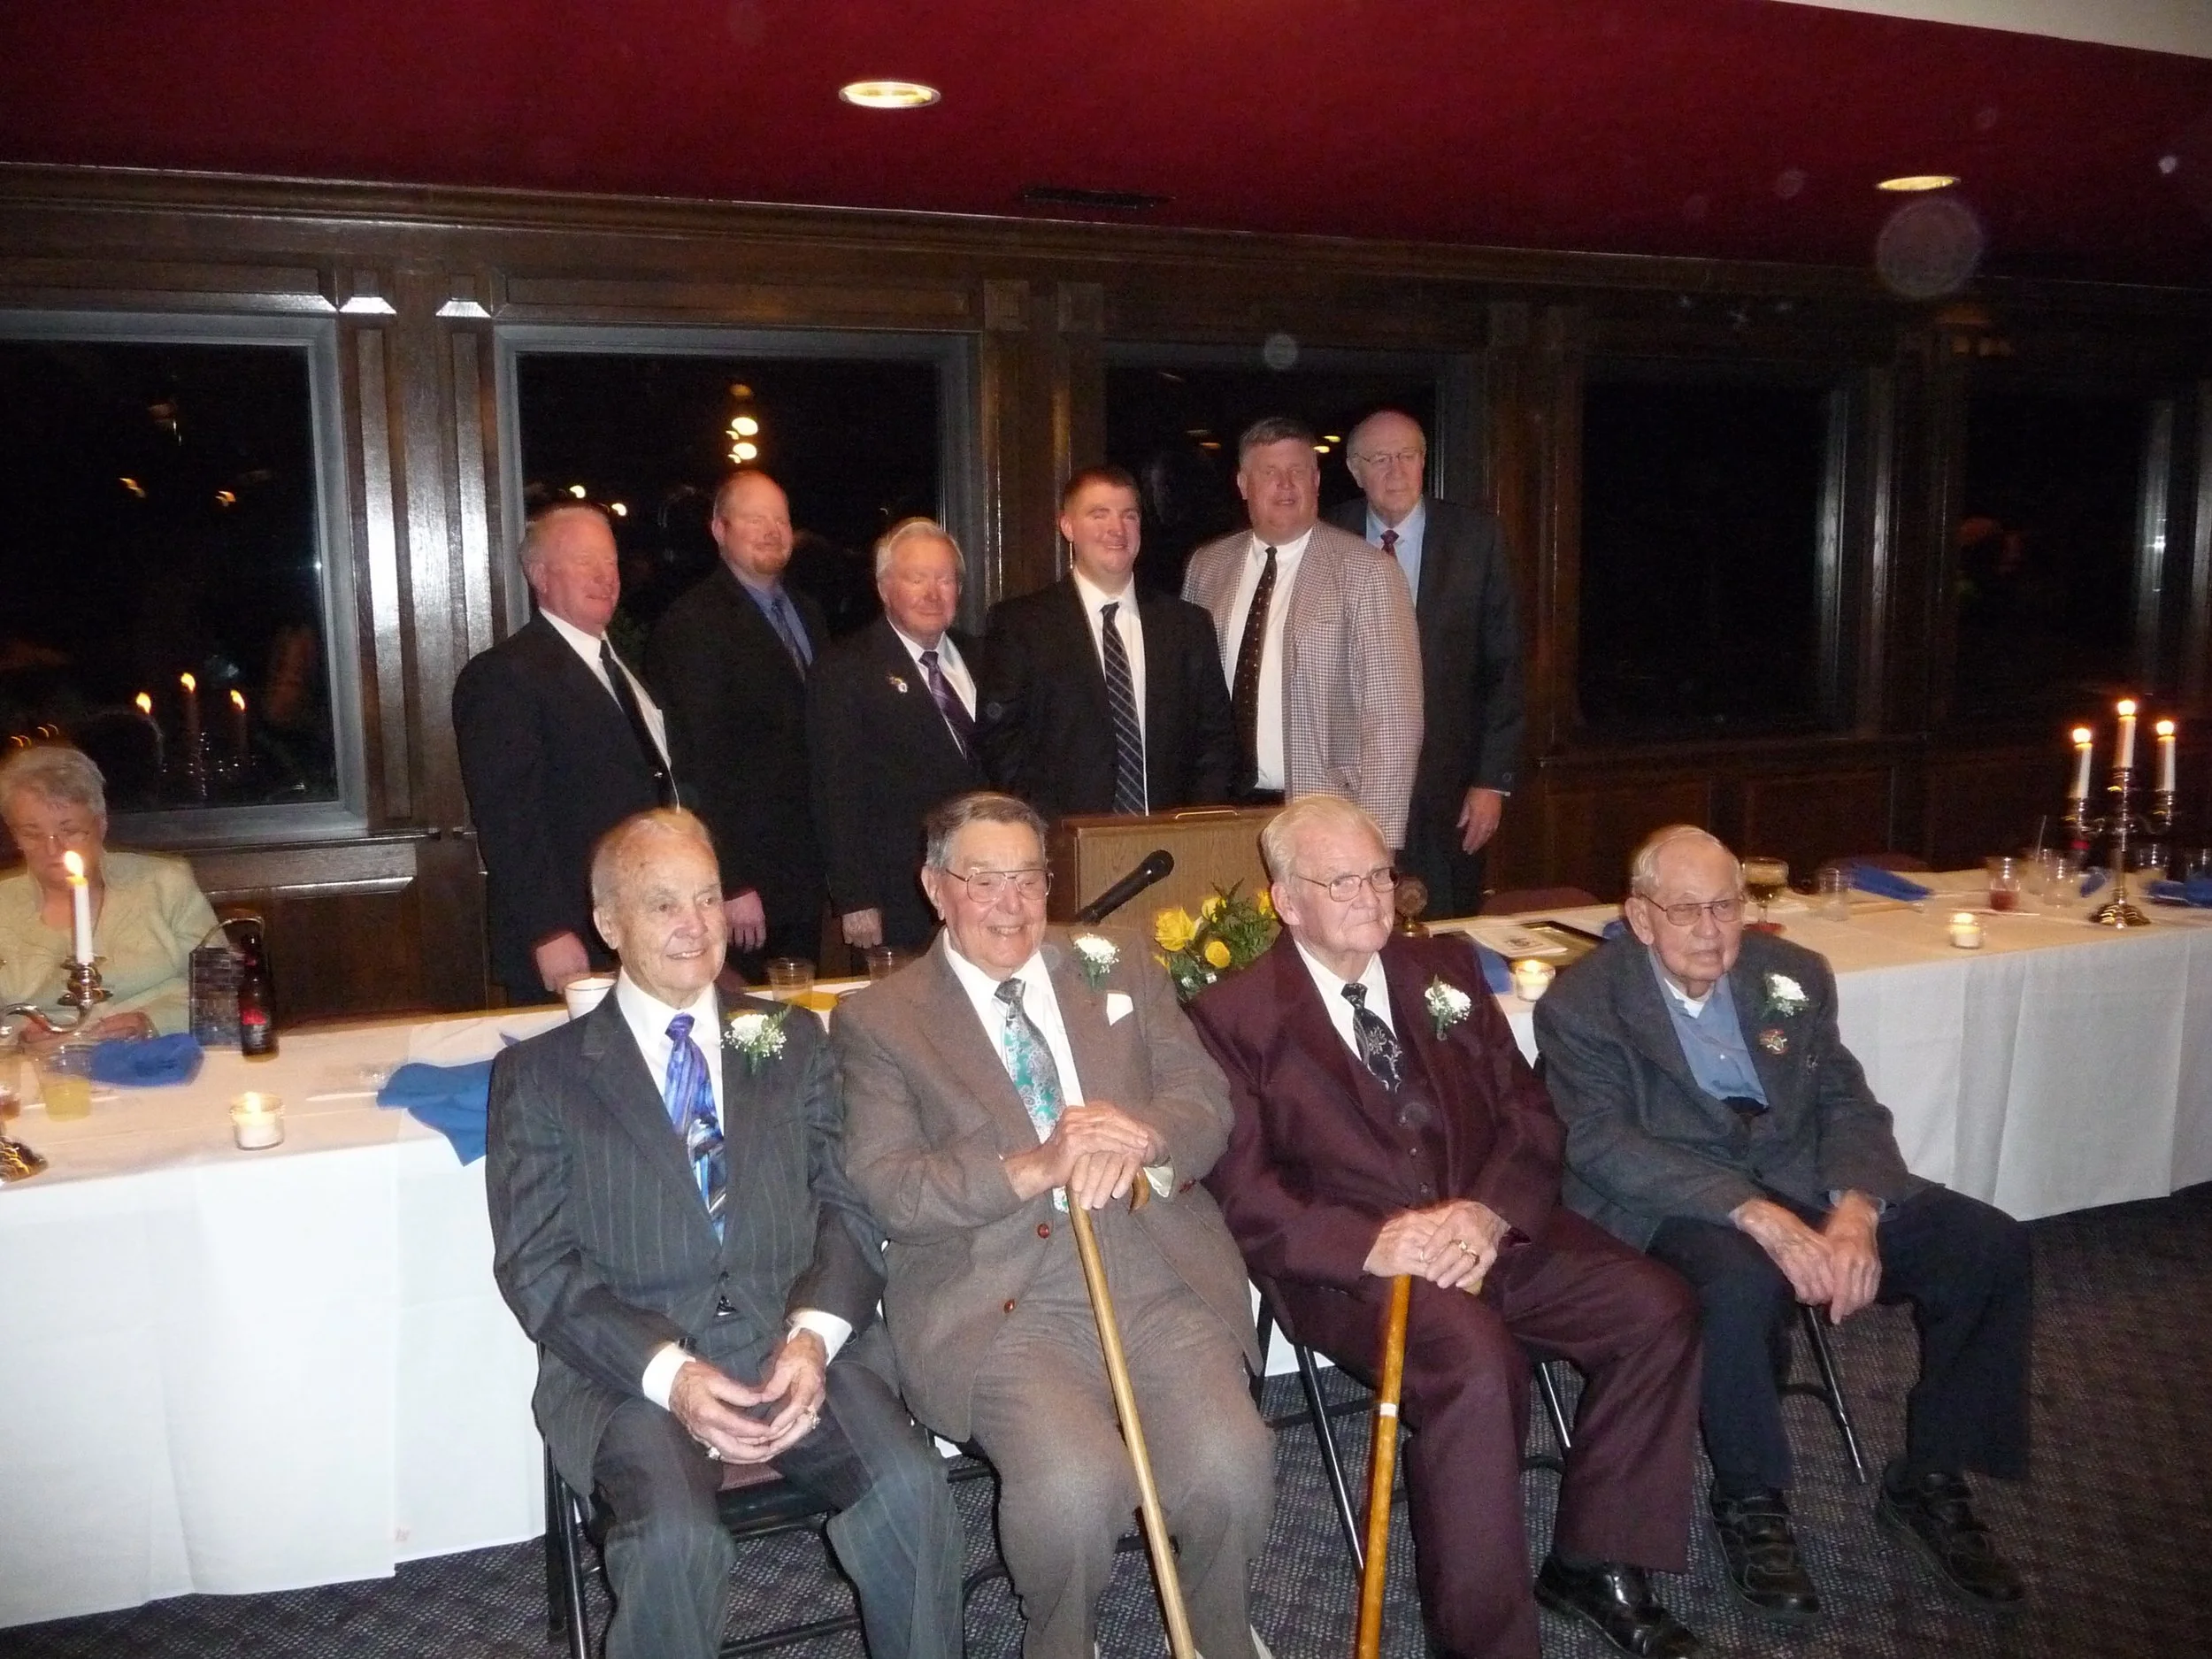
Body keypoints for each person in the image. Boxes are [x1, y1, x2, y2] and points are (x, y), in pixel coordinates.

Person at [1187, 794, 1702, 1659]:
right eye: (1340, 881)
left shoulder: (1449, 970)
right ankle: (1485, 1644)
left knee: (1656, 1306)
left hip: (1484, 1227)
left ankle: (1594, 1562)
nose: (1370, 897)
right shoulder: (1232, 1019)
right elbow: (1244, 1193)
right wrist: (1372, 1243)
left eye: (1379, 872)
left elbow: (1531, 1118)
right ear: (1285, 900)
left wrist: (1489, 1212)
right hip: (1354, 1267)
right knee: (1472, 1361)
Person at [485, 808, 962, 1659]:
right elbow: (537, 1268)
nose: (697, 924)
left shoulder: (791, 1039)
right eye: (664, 903)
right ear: (607, 924)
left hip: (798, 1346)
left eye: (707, 897)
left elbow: (847, 1210)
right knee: (675, 1543)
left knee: (913, 1492)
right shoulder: (543, 1077)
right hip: (631, 1375)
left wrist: (814, 1339)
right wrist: (672, 1376)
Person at [1536, 826, 2030, 1622]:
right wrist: (1754, 1212)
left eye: (1726, 905)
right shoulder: (1585, 1002)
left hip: (1806, 1174)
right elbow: (1602, 1142)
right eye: (1687, 909)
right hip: (1678, 1193)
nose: (1710, 928)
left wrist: (1857, 1209)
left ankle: (1931, 1477)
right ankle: (1752, 1499)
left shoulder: (1791, 974)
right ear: (1638, 914)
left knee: (1987, 1244)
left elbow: (1844, 1099)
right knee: (1740, 1282)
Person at [834, 791, 1274, 1659]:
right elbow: (889, 1188)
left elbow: (1205, 1101)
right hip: (1003, 1302)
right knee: (1072, 1491)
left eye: (1028, 880)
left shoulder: (1119, 965)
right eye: (984, 881)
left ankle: (1220, 1637)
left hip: (1153, 1271)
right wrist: (1031, 1166)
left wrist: (1143, 1134)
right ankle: (1063, 1645)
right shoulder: (880, 1020)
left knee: (1232, 1464)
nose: (1011, 905)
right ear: (935, 889)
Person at [454, 503, 676, 1001]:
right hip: (570, 939)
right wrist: (548, 930)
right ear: (539, 576)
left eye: (611, 562)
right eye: (584, 562)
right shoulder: (505, 676)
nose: (605, 577)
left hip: (641, 925)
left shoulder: (621, 667)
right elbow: (509, 820)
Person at [1181, 416, 1422, 851]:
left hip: (1324, 813)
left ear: (1315, 480)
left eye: (1297, 471)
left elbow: (1393, 723)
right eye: (1270, 473)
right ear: (1242, 484)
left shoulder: (1368, 572)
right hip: (1222, 809)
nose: (1285, 484)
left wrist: (1375, 841)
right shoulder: (1207, 567)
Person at [1325, 411, 1525, 917]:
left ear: (1424, 462)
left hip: (1449, 786)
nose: (1396, 471)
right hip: (1351, 785)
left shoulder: (1477, 539)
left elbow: (1504, 668)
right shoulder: (1327, 537)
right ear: (1354, 470)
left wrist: (1490, 782)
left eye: (1408, 456)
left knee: (1444, 934)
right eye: (1380, 459)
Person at [978, 465, 1236, 818]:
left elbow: (1215, 739)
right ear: (1067, 526)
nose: (1117, 530)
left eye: (1129, 516)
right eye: (1099, 515)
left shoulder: (1187, 626)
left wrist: (1192, 822)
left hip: (1171, 842)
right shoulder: (1021, 625)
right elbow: (1002, 742)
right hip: (1065, 844)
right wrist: (1051, 830)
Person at [647, 471, 827, 974]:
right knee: (748, 1030)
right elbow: (695, 763)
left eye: (781, 519)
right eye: (754, 519)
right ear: (719, 530)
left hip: (804, 871)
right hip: (747, 886)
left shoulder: (808, 614)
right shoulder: (693, 625)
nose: (771, 530)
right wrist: (731, 879)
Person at [807, 519, 987, 957]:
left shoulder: (985, 657)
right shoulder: (845, 669)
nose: (932, 592)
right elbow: (835, 790)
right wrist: (855, 897)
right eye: (916, 578)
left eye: (944, 579)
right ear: (885, 587)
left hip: (982, 887)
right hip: (897, 895)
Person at [0, 743, 219, 1041]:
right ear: (15, 836)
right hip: (45, 1074)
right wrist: (18, 1036)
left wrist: (153, 1022)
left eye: (70, 830)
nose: (52, 849)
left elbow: (223, 988)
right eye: (32, 834)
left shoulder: (164, 883)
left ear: (101, 824)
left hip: (163, 1059)